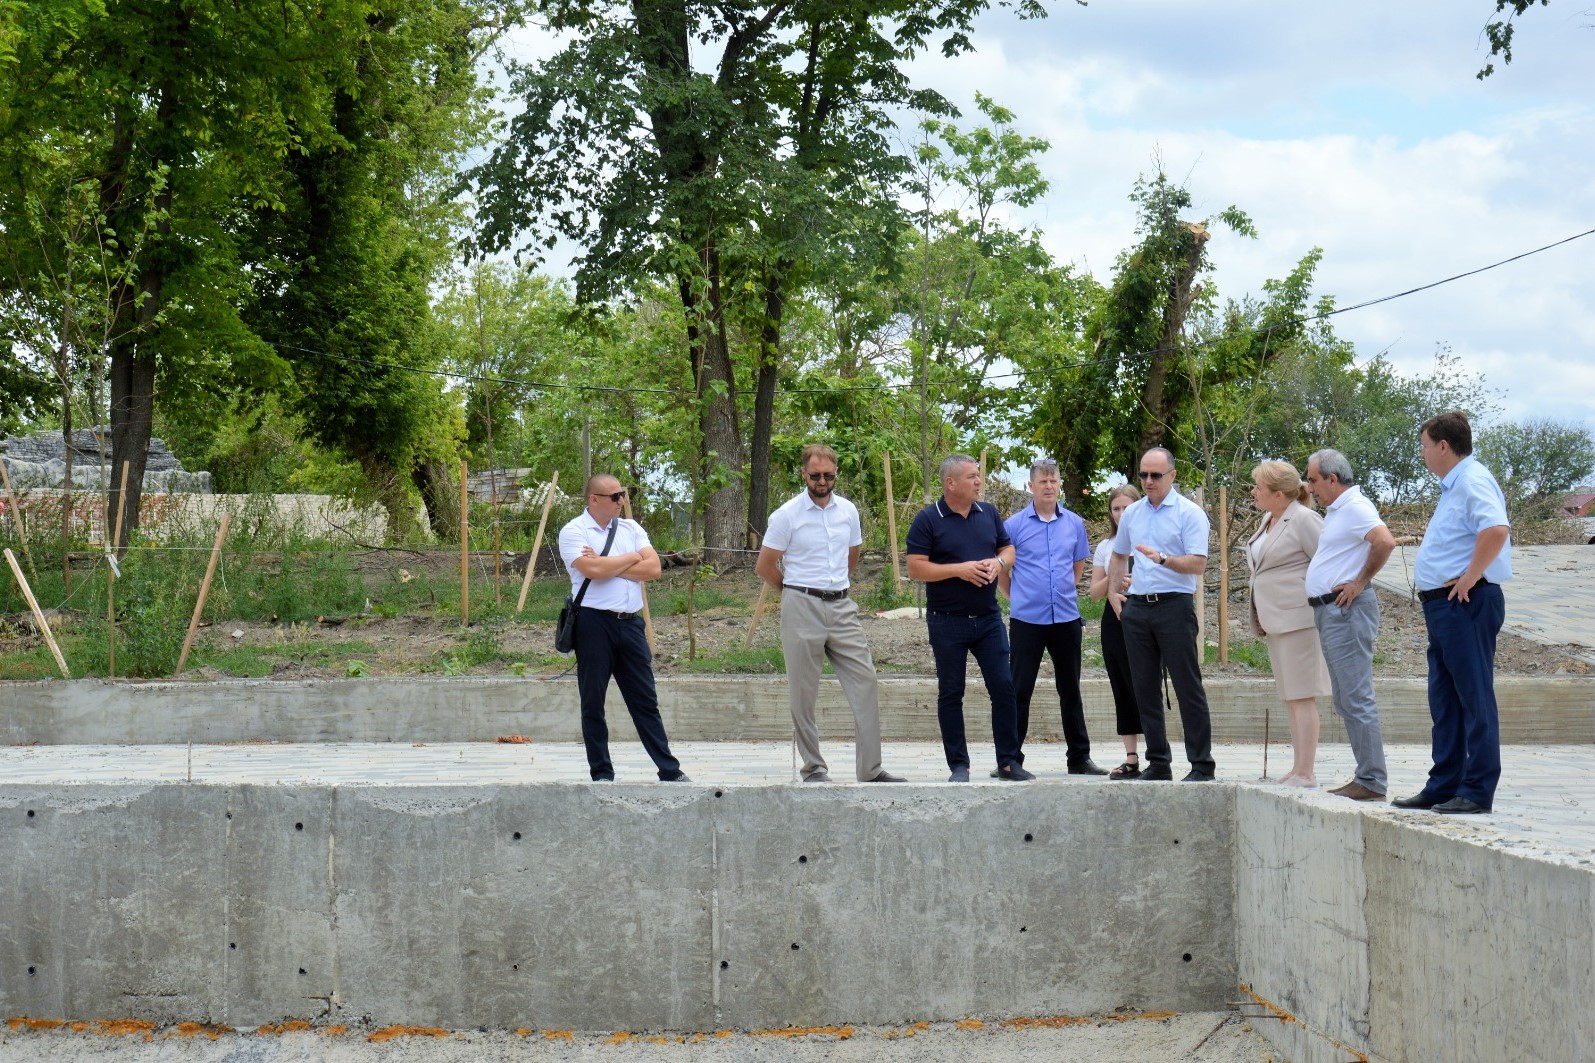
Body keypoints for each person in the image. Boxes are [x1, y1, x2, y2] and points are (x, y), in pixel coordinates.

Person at [756, 444, 906, 784]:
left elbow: (851, 556)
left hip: (841, 605)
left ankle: (870, 769)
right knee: (804, 691)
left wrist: (835, 585)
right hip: (801, 604)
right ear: (803, 474)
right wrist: (794, 593)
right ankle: (814, 767)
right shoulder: (787, 515)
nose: (822, 481)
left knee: (866, 681)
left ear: (836, 474)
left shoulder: (848, 511)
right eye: (815, 475)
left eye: (828, 475)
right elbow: (765, 566)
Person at [1392, 411, 1512, 815]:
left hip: (1466, 603)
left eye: (1425, 446)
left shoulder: (1473, 480)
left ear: (1444, 446)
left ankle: (1477, 790)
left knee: (1474, 698)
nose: (1423, 454)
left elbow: (1495, 530)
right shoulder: (1454, 486)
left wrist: (1470, 576)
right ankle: (1444, 784)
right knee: (1445, 699)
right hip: (1444, 609)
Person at [906, 454, 1033, 782]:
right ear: (951, 483)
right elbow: (916, 567)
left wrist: (999, 564)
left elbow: (1008, 550)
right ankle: (958, 766)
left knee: (1004, 687)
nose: (979, 481)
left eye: (978, 475)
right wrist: (959, 570)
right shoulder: (927, 519)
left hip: (989, 619)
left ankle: (1007, 762)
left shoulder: (988, 513)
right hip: (947, 621)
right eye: (972, 476)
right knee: (951, 691)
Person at [557, 475, 689, 783]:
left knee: (645, 700)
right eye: (615, 496)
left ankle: (669, 770)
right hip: (593, 623)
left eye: (623, 495)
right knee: (593, 701)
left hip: (630, 624)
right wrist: (631, 559)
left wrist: (610, 563)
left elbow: (654, 569)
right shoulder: (574, 531)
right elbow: (592, 570)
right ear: (594, 499)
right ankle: (602, 773)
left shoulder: (631, 528)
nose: (622, 501)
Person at [1106, 447, 1215, 782]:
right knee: (1144, 687)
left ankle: (1201, 764)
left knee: (1186, 685)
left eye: (1156, 475)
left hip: (1174, 604)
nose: (1149, 481)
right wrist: (1113, 591)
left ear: (1173, 475)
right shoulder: (1134, 513)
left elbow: (1198, 563)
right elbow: (1119, 554)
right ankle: (1158, 762)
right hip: (1138, 606)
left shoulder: (1189, 513)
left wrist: (1163, 559)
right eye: (1143, 475)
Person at [998, 458, 1103, 775]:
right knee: (1020, 690)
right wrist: (1016, 597)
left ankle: (1079, 759)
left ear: (1059, 485)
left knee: (1070, 689)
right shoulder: (1013, 526)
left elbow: (1078, 566)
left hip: (1066, 620)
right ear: (1030, 486)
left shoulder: (1074, 523)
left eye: (1053, 480)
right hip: (1027, 622)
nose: (1048, 486)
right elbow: (1002, 570)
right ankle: (1011, 759)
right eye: (1041, 481)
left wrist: (1062, 591)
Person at [1305, 449, 1397, 802]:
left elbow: (1384, 541)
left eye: (1313, 480)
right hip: (1331, 613)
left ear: (1332, 478)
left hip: (1346, 612)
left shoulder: (1356, 508)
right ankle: (1366, 776)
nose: (1310, 487)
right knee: (1345, 697)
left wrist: (1359, 582)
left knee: (1356, 697)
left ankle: (1372, 781)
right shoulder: (1337, 511)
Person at [1246, 460, 1332, 788]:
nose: (1253, 492)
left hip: (1298, 619)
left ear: (1280, 494)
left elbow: (1326, 561)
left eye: (1259, 487)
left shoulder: (1304, 519)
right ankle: (1297, 768)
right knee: (1290, 695)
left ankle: (1307, 771)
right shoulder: (1270, 518)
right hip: (1273, 619)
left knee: (1302, 694)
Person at [1090, 484, 1145, 779]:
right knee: (1122, 686)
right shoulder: (1106, 546)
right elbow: (1094, 593)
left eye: (1127, 508)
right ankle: (1131, 757)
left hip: (1148, 616)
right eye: (1116, 509)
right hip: (1114, 620)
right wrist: (1114, 578)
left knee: (1146, 685)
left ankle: (1159, 753)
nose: (1122, 514)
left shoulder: (1151, 539)